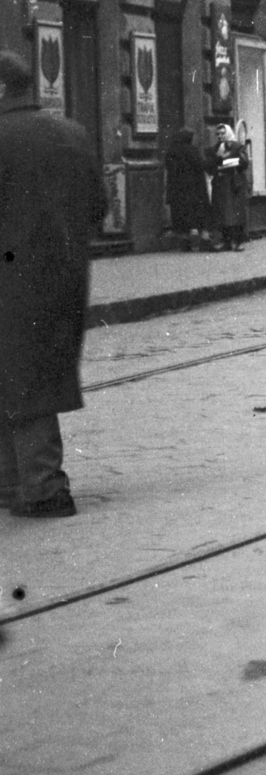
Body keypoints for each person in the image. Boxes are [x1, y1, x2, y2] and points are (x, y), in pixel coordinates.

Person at [0, 48, 107, 519]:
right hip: (65, 278)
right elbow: (99, 207)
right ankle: (17, 481)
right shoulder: (73, 133)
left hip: (10, 278)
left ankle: (43, 487)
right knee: (32, 375)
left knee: (21, 377)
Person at [164, 126, 211, 251]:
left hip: (177, 189)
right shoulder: (192, 150)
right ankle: (201, 240)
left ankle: (185, 243)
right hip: (194, 188)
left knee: (181, 214)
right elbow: (200, 165)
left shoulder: (171, 151)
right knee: (196, 213)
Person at [207, 122, 251, 251]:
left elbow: (244, 162)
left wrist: (225, 161)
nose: (220, 136)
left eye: (223, 133)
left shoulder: (237, 146)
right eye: (218, 134)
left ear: (228, 133)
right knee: (222, 214)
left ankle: (237, 242)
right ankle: (226, 241)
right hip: (220, 183)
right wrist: (217, 161)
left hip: (234, 183)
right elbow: (210, 165)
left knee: (235, 213)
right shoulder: (214, 149)